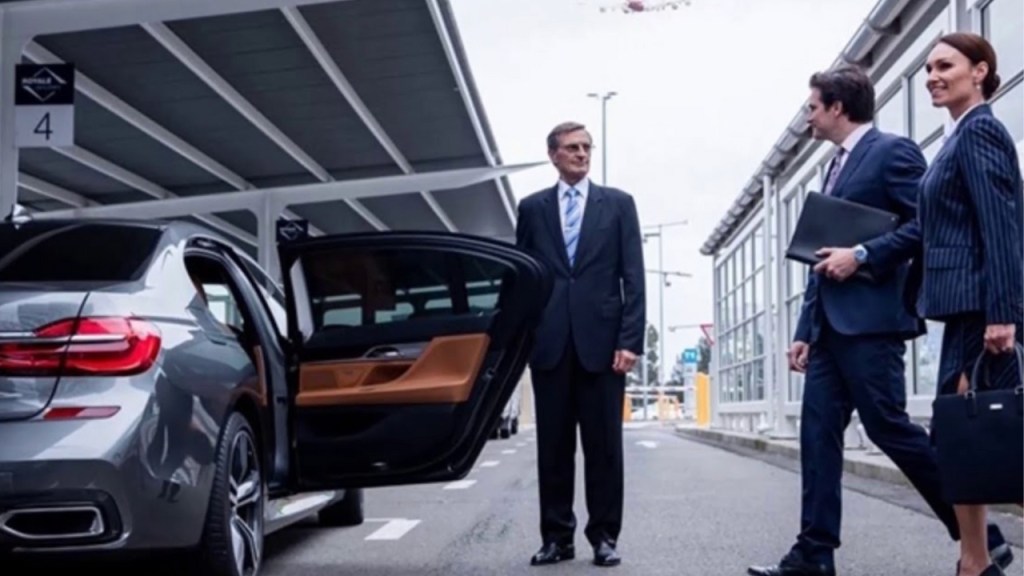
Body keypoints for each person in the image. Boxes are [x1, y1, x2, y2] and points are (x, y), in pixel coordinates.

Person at [747, 65, 1012, 576]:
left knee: (889, 426)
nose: (808, 117)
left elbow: (927, 223)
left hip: (873, 322)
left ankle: (984, 536)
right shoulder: (834, 166)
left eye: (812, 107)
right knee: (816, 434)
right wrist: (805, 329)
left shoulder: (893, 152)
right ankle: (814, 554)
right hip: (829, 327)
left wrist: (864, 254)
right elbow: (821, 254)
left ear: (837, 108)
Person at [905, 32, 1023, 576]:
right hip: (962, 312)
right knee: (962, 440)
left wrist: (1004, 314)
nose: (932, 75)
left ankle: (975, 562)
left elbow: (1002, 229)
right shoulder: (956, 138)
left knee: (987, 439)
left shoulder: (980, 133)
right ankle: (973, 562)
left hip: (982, 312)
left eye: (944, 65)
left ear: (980, 71)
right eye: (928, 67)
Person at [515, 121, 645, 568]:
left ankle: (604, 537)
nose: (582, 154)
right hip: (550, 346)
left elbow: (634, 277)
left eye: (587, 147)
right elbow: (523, 280)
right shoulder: (531, 209)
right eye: (572, 148)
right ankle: (557, 538)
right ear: (553, 154)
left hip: (604, 346)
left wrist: (631, 341)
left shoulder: (619, 205)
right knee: (552, 448)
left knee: (604, 447)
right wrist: (524, 338)